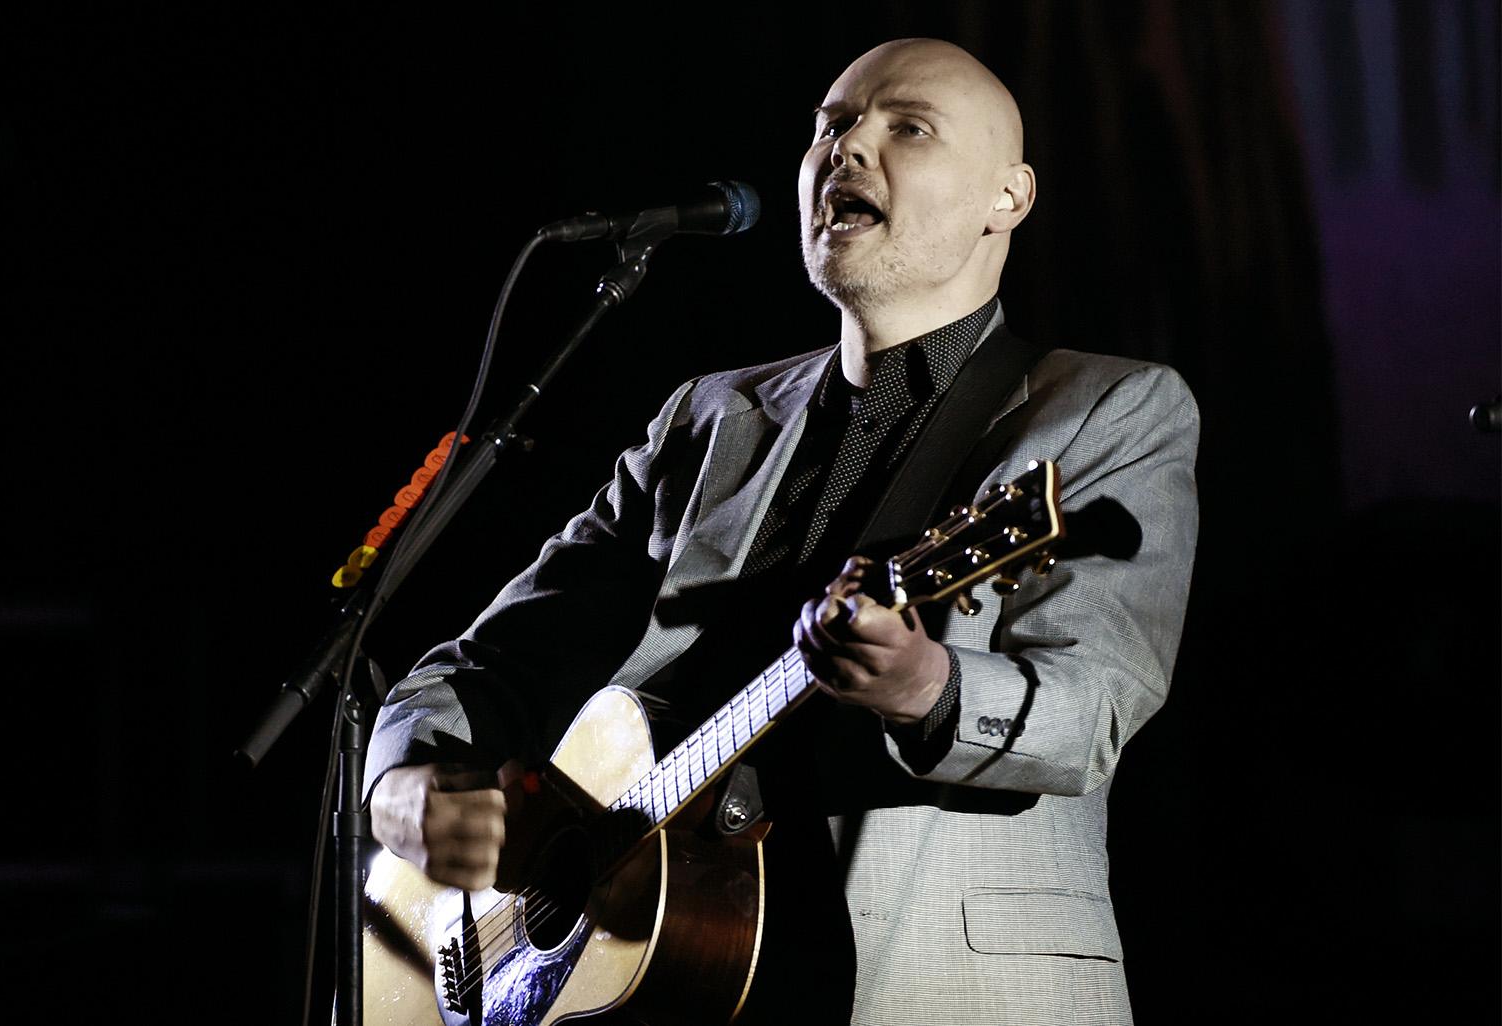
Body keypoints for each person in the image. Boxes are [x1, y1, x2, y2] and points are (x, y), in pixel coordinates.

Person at [363, 38, 1198, 1026]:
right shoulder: (708, 419)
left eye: (906, 128)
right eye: (831, 125)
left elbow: (1092, 704)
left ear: (1006, 199)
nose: (847, 150)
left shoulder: (1104, 409)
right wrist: (405, 786)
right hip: (677, 986)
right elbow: (490, 661)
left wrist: (927, 687)